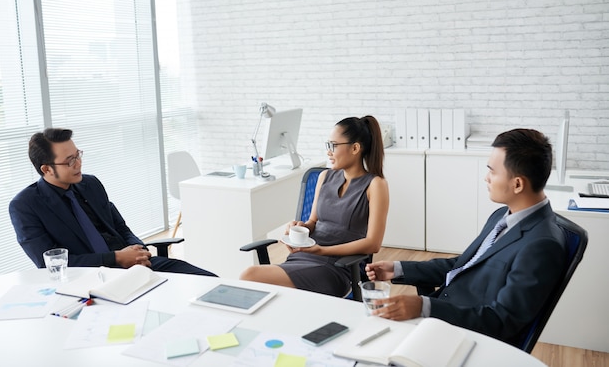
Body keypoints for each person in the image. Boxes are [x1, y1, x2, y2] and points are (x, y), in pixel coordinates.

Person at [365, 128, 567, 346]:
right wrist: (398, 268)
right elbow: (463, 265)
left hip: (465, 335)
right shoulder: (502, 215)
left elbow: (502, 321)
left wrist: (425, 307)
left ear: (517, 184)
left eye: (492, 171)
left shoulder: (542, 245)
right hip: (443, 316)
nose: (486, 177)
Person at [9, 128, 216, 276]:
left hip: (136, 267)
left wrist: (138, 251)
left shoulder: (90, 184)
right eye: (70, 160)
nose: (78, 163)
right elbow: (50, 264)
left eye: (78, 155)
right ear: (46, 169)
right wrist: (116, 258)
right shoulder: (25, 206)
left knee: (209, 282)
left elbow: (120, 226)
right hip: (92, 280)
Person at [240, 115, 389, 297]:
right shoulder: (324, 177)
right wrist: (300, 227)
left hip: (337, 267)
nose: (328, 152)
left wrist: (322, 250)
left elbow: (373, 244)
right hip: (304, 257)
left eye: (333, 146)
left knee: (250, 276)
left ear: (355, 148)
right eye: (327, 145)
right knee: (266, 290)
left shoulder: (375, 184)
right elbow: (313, 221)